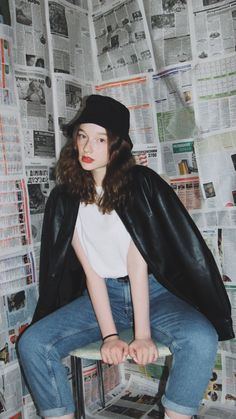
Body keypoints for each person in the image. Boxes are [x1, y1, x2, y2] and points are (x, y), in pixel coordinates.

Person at [17, 95, 234, 419]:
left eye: (100, 139)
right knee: (32, 344)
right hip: (102, 296)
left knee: (200, 338)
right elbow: (91, 273)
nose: (88, 148)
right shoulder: (66, 197)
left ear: (116, 145)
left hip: (154, 293)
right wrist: (110, 335)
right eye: (82, 136)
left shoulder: (140, 187)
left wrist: (142, 335)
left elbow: (137, 264)